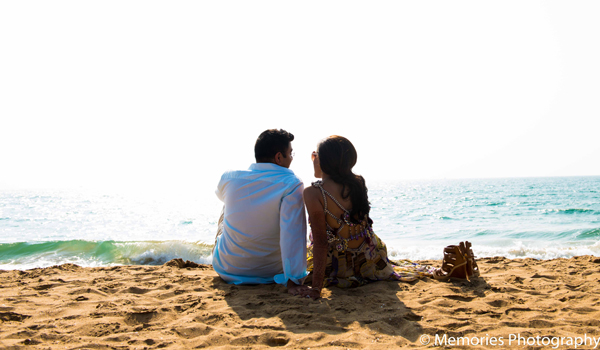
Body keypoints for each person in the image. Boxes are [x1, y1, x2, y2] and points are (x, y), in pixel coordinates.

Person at [300, 136, 434, 299]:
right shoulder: (357, 183)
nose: (313, 159)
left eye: (315, 155)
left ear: (324, 160)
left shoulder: (313, 193)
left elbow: (321, 242)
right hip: (370, 260)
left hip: (340, 267)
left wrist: (316, 288)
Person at [212, 129, 308, 296]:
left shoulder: (230, 177)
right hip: (271, 272)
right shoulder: (292, 184)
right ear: (279, 157)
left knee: (227, 205)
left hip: (227, 268)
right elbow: (292, 234)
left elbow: (220, 196)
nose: (292, 158)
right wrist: (293, 279)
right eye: (290, 153)